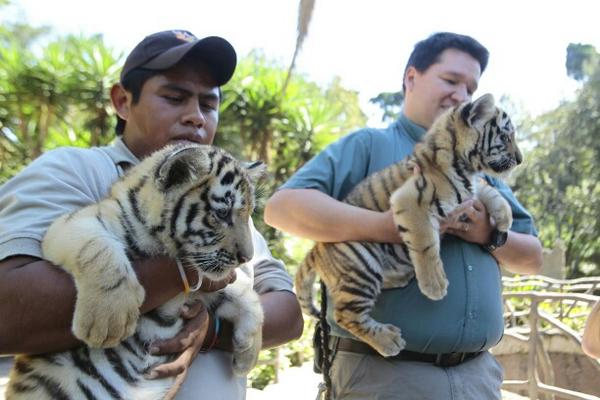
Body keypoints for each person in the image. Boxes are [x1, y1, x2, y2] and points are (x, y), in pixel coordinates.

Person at [0, 29, 303, 399]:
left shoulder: (228, 206)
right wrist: (182, 274)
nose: (195, 117)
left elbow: (289, 315)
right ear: (123, 101)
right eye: (175, 98)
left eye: (208, 105)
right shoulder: (73, 170)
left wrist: (209, 331)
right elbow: (6, 313)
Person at [265, 32, 543, 400]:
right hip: (386, 377)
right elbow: (280, 209)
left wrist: (488, 234)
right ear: (411, 78)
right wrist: (384, 227)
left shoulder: (484, 171)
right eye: (450, 80)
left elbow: (533, 257)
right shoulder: (370, 145)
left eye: (471, 88)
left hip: (478, 375)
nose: (461, 95)